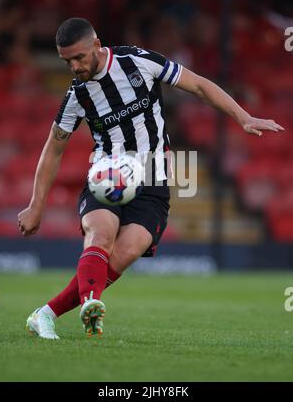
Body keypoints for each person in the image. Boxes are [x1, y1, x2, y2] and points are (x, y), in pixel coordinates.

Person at [18, 17, 284, 340]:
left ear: (97, 45)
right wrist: (36, 206)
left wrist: (243, 117)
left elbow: (199, 85)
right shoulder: (78, 96)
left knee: (126, 251)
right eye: (67, 61)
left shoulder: (138, 62)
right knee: (100, 234)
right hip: (107, 173)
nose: (74, 66)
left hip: (153, 177)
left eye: (79, 57)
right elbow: (52, 151)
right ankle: (92, 303)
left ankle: (44, 314)